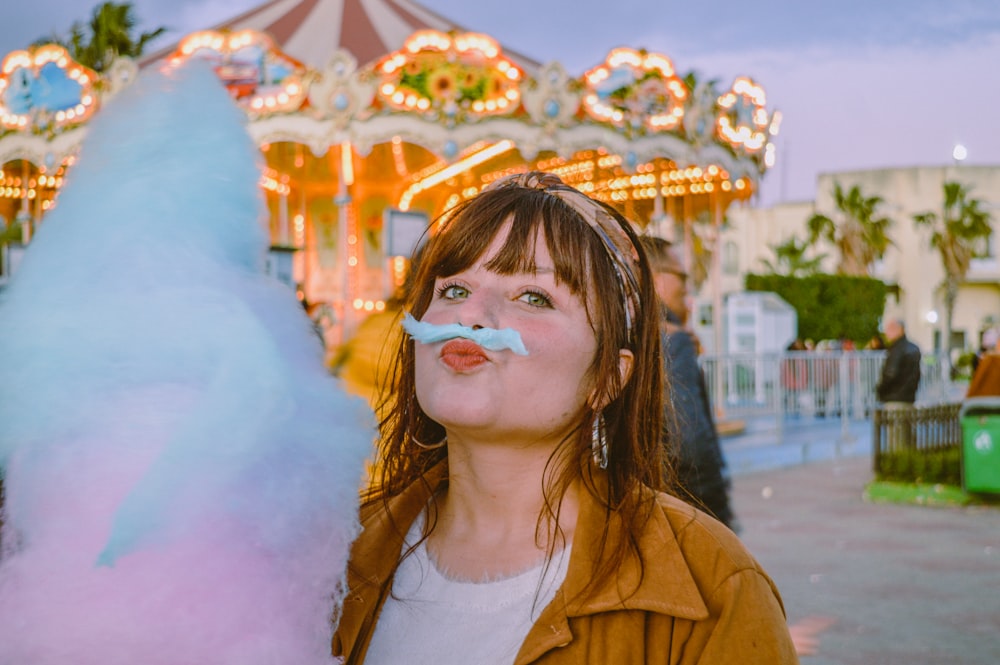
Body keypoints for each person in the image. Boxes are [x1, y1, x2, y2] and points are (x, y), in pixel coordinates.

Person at [332, 172, 797, 664]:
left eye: (534, 296)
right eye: (452, 289)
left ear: (608, 378)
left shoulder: (715, 588)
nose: (471, 314)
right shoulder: (335, 557)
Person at [639, 235, 736, 530]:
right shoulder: (670, 339)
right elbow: (690, 441)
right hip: (685, 512)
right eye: (681, 275)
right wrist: (715, 517)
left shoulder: (625, 337)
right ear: (655, 279)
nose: (687, 285)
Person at [876, 319, 921, 405]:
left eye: (890, 329)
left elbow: (890, 374)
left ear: (899, 330)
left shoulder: (896, 349)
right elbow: (917, 374)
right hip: (909, 398)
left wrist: (880, 390)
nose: (886, 333)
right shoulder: (914, 348)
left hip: (893, 398)